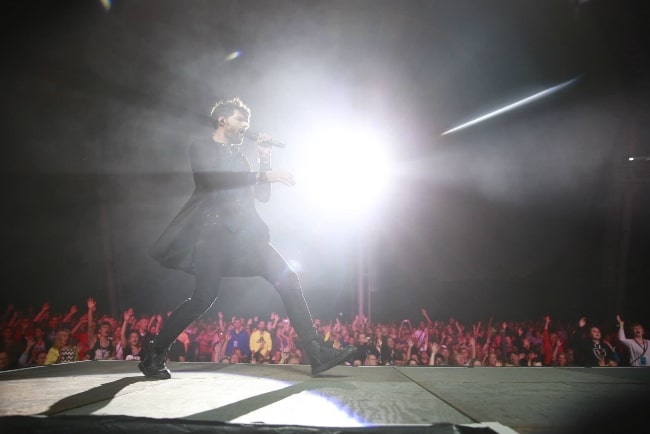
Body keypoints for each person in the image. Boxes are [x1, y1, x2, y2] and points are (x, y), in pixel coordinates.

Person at [140, 97, 355, 379]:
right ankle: (155, 350)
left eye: (247, 123)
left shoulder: (241, 157)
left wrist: (264, 157)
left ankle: (316, 353)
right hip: (212, 235)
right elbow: (215, 181)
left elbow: (262, 196)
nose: (246, 127)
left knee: (288, 278)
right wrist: (264, 174)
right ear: (223, 120)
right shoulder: (201, 147)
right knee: (204, 297)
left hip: (245, 237)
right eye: (241, 120)